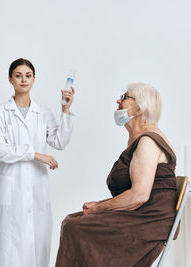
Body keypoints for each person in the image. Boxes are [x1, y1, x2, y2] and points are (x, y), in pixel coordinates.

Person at [55, 82, 177, 267]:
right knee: (72, 220)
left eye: (125, 97)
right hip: (139, 215)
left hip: (148, 222)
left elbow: (139, 195)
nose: (118, 101)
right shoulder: (139, 138)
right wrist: (99, 204)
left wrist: (97, 209)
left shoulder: (148, 142)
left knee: (75, 227)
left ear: (139, 107)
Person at [0, 58, 75, 267]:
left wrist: (65, 110)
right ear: (10, 79)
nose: (23, 80)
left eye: (28, 75)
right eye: (18, 75)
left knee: (38, 244)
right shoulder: (1, 113)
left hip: (37, 187)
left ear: (34, 79)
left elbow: (60, 141)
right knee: (10, 246)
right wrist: (36, 155)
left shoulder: (42, 113)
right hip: (12, 188)